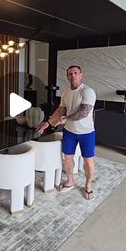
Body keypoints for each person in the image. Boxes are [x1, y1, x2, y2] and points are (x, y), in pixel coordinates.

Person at [37, 65, 96, 200]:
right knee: (67, 159)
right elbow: (60, 111)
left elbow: (84, 112)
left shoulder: (88, 91)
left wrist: (65, 119)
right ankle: (70, 181)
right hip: (69, 132)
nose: (73, 75)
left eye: (76, 73)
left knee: (88, 161)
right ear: (67, 76)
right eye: (70, 74)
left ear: (81, 75)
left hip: (87, 133)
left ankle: (88, 185)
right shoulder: (65, 93)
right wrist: (48, 122)